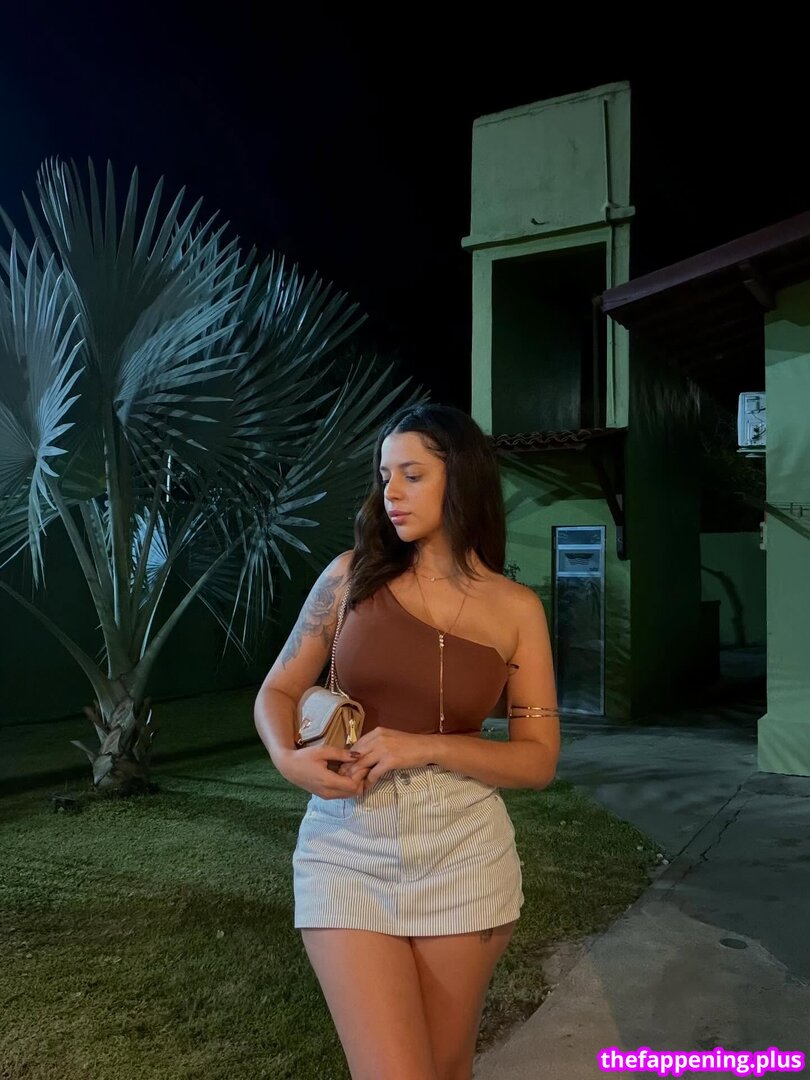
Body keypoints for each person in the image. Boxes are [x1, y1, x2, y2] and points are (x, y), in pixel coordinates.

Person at [254, 403, 559, 1080]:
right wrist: (288, 758)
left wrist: (425, 746)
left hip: (463, 850)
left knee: (446, 1070)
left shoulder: (516, 609)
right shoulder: (348, 578)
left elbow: (538, 759)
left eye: (412, 475)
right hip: (346, 845)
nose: (390, 491)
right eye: (385, 475)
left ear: (462, 480)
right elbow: (277, 690)